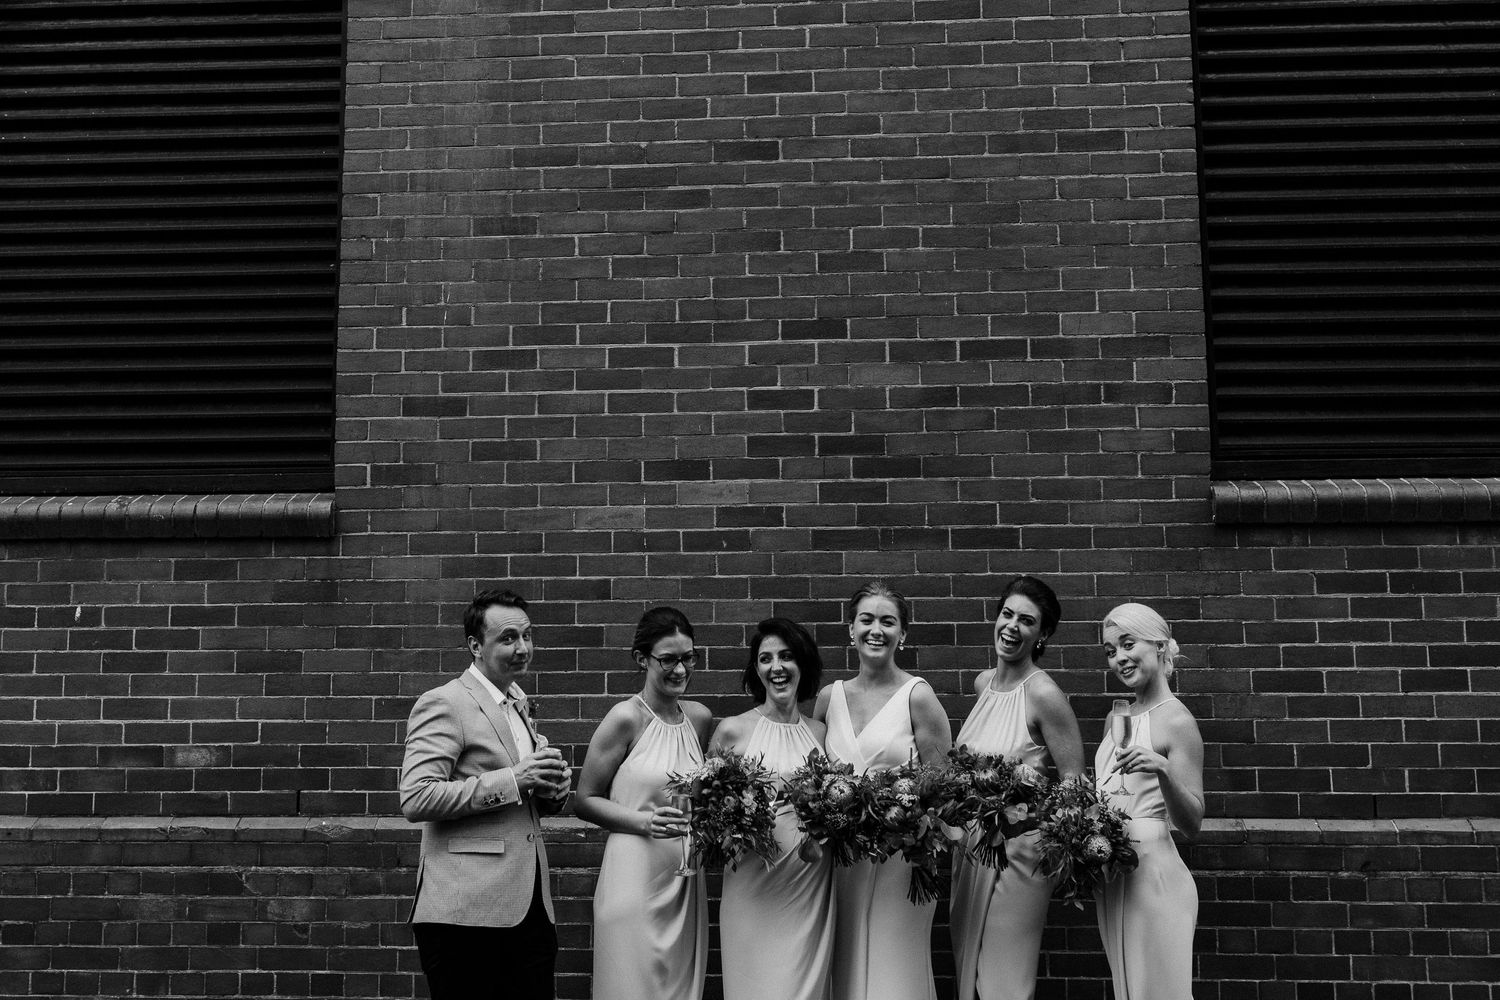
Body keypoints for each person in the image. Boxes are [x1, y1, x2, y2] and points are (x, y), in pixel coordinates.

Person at [399, 589, 573, 1000]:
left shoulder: (518, 704)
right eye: (508, 638)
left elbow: (522, 795)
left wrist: (551, 790)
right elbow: (417, 797)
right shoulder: (445, 702)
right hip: (465, 914)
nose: (523, 648)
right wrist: (513, 779)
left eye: (527, 636)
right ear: (475, 646)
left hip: (529, 908)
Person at [950, 575, 1086, 1000]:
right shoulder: (983, 683)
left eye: (1026, 621)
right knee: (970, 973)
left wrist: (1043, 828)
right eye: (1007, 614)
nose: (1011, 626)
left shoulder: (1044, 694)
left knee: (1002, 982)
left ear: (1042, 634)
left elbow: (1074, 783)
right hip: (971, 849)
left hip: (1020, 855)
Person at [814, 581, 952, 1000]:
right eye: (867, 620)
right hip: (841, 860)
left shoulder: (918, 696)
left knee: (894, 970)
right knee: (844, 963)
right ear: (851, 629)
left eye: (888, 622)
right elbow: (814, 778)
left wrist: (907, 822)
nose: (876, 630)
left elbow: (943, 788)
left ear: (902, 634)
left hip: (899, 861)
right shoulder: (829, 697)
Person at [575, 606, 714, 1000]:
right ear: (642, 659)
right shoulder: (626, 718)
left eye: (688, 658)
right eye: (668, 659)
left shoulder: (699, 719)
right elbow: (584, 800)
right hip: (633, 879)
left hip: (684, 882)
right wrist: (645, 822)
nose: (681, 669)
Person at [712, 617, 835, 1000]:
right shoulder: (733, 731)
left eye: (786, 656)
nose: (776, 667)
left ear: (803, 663)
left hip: (808, 889)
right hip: (753, 888)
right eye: (765, 659)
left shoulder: (819, 733)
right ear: (756, 669)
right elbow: (706, 814)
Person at [1095, 602, 1205, 1000]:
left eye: (1128, 644)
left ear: (1159, 646)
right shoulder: (1116, 718)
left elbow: (1192, 823)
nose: (1119, 658)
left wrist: (1163, 770)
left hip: (1155, 880)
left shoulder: (1177, 720)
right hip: (1114, 879)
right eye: (1111, 651)